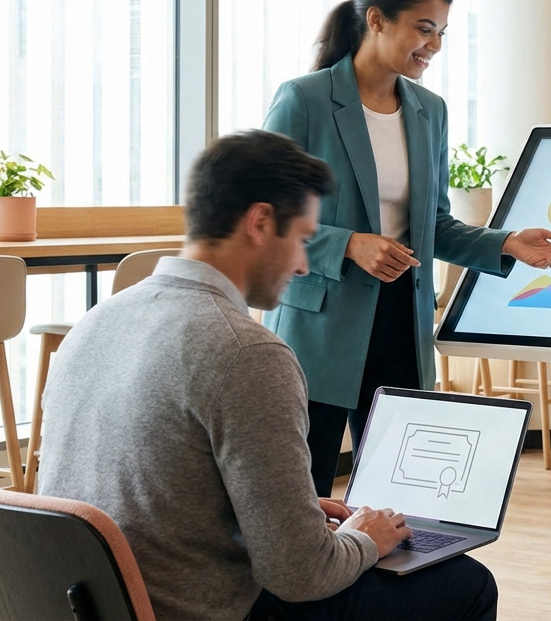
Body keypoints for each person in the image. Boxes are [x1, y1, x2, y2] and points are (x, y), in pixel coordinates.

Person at [37, 130, 498, 621]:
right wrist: (366, 537)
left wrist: (287, 509)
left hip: (93, 604)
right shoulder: (248, 352)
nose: (302, 265)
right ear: (259, 222)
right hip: (200, 609)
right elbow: (301, 576)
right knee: (466, 585)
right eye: (301, 238)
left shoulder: (97, 322)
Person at [262, 0, 551, 496]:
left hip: (401, 321)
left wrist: (506, 243)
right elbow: (267, 215)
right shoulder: (305, 100)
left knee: (395, 492)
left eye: (441, 33)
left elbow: (433, 224)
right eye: (424, 28)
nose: (434, 45)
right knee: (303, 491)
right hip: (321, 324)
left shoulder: (429, 110)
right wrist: (349, 244)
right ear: (377, 19)